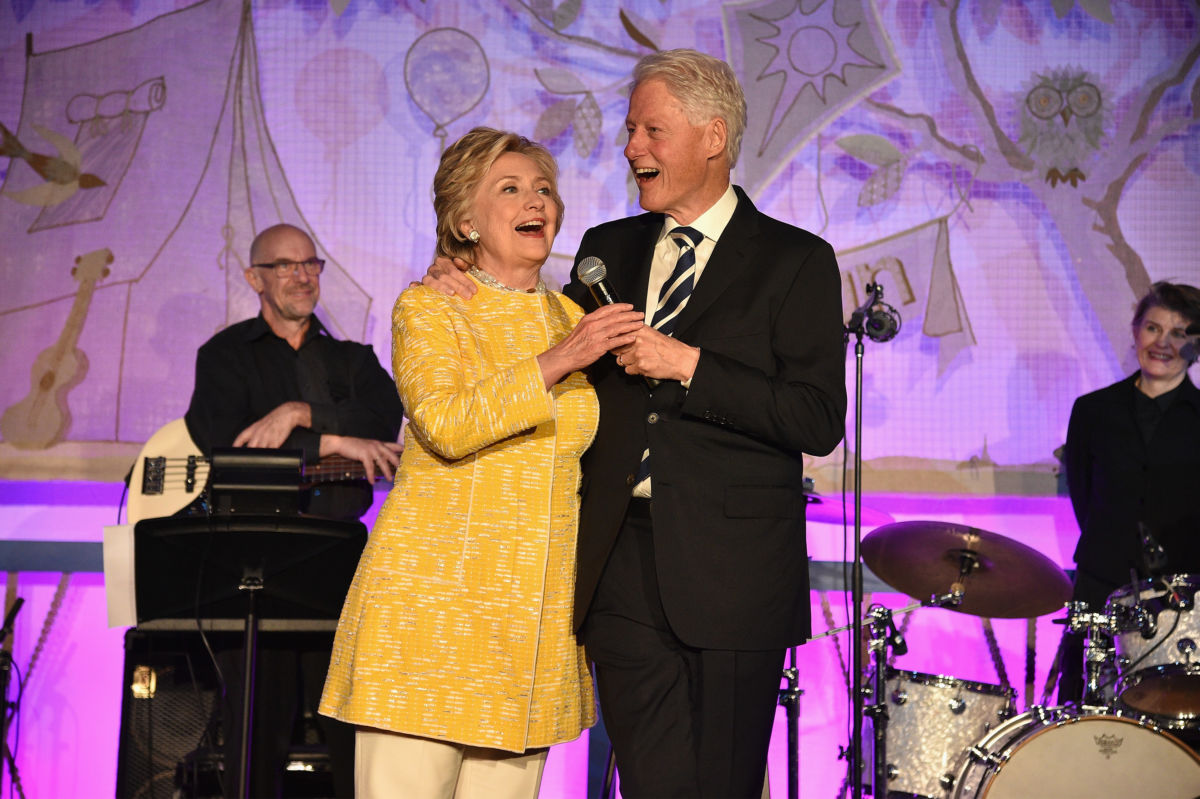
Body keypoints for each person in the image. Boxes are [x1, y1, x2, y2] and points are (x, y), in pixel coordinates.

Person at [425, 50, 846, 799]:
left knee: (718, 785)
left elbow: (815, 417)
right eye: (629, 130)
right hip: (618, 561)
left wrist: (689, 364)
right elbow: (538, 335)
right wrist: (454, 268)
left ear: (711, 138)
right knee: (651, 781)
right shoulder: (605, 249)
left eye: (651, 130)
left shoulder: (796, 260)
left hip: (736, 574)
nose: (630, 149)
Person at [319, 128, 645, 798]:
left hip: (528, 635)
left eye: (545, 188)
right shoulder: (433, 305)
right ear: (465, 220)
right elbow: (446, 421)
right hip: (431, 622)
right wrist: (560, 360)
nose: (537, 200)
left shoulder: (573, 316)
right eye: (511, 188)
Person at [184, 221, 406, 798]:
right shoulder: (226, 356)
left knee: (350, 724)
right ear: (255, 277)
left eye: (311, 264)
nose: (303, 276)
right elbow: (226, 447)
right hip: (254, 557)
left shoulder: (352, 361)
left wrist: (302, 414)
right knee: (257, 723)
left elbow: (382, 424)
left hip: (337, 552)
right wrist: (333, 443)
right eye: (286, 266)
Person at [1059, 281, 1200, 704]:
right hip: (1099, 583)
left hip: (1184, 600)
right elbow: (1085, 495)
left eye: (1179, 333)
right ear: (1136, 331)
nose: (1163, 343)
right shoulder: (1092, 411)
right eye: (1154, 328)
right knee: (1083, 711)